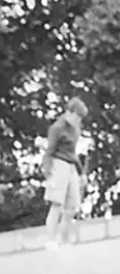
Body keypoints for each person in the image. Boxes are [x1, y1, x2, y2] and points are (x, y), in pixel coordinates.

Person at [41, 97, 89, 250]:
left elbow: (73, 153)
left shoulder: (76, 129)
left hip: (71, 167)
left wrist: (82, 173)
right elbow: (49, 152)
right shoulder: (56, 128)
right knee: (56, 204)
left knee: (71, 206)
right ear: (69, 112)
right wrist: (48, 173)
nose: (78, 121)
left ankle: (64, 240)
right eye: (77, 117)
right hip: (57, 164)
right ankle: (51, 240)